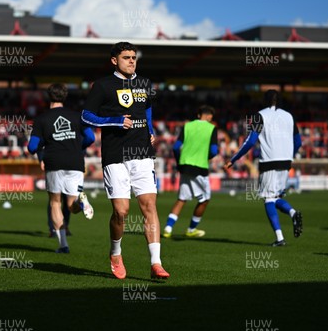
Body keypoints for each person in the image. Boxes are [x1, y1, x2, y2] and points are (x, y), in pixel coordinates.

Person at [81, 41, 170, 280]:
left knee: (149, 206)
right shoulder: (102, 85)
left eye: (134, 57)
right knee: (121, 211)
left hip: (142, 152)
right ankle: (115, 252)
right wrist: (115, 121)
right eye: (126, 57)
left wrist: (150, 129)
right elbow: (86, 116)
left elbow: (147, 108)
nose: (132, 61)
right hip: (115, 153)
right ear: (114, 60)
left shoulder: (145, 84)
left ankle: (156, 263)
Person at [224, 90, 303, 247]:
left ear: (264, 100)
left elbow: (250, 141)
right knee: (275, 196)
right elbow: (298, 142)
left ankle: (280, 238)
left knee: (268, 198)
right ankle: (293, 213)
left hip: (269, 162)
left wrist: (233, 159)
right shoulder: (289, 116)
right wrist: (289, 155)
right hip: (286, 162)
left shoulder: (259, 116)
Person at [27, 83, 95, 253]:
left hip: (54, 162)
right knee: (72, 205)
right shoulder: (77, 116)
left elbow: (32, 146)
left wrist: (43, 144)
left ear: (48, 97)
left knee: (55, 203)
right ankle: (82, 203)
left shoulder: (42, 119)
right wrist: (78, 147)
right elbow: (91, 137)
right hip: (75, 162)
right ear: (65, 97)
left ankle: (63, 245)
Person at [163, 105, 218, 238]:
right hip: (199, 167)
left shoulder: (187, 126)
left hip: (184, 166)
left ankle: (168, 229)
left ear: (199, 115)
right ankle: (191, 229)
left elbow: (176, 147)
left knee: (182, 199)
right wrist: (206, 157)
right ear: (210, 116)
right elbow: (214, 151)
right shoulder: (212, 128)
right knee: (205, 199)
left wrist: (179, 162)